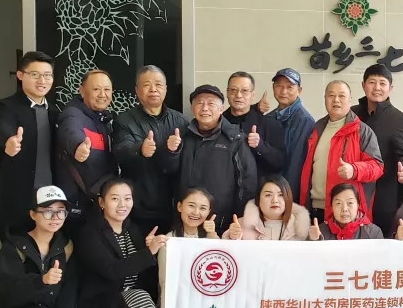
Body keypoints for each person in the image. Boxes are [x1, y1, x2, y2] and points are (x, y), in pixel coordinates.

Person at [73, 179, 167, 308]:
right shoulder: (90, 233)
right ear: (101, 202)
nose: (122, 204)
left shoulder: (133, 230)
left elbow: (142, 271)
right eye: (115, 199)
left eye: (127, 198)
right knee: (138, 297)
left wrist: (149, 250)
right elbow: (113, 270)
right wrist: (147, 252)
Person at [164, 85, 259, 236]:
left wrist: (239, 218)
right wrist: (171, 152)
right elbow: (168, 173)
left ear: (221, 109)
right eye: (200, 103)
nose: (205, 108)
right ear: (192, 108)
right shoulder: (182, 137)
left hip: (222, 224)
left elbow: (247, 182)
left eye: (211, 103)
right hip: (185, 224)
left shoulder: (235, 139)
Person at [0, 51, 59, 238]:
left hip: (51, 195)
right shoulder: (4, 107)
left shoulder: (55, 112)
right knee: (16, 248)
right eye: (35, 74)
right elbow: (1, 127)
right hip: (18, 194)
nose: (42, 80)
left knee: (49, 249)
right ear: (20, 75)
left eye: (47, 75)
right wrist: (8, 141)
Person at [113, 66, 189, 234]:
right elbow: (120, 150)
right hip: (138, 206)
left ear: (166, 89)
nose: (153, 89)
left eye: (158, 84)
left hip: (173, 207)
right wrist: (139, 149)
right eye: (147, 85)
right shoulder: (124, 120)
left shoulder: (181, 121)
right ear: (137, 90)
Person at [300, 81, 384, 225]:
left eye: (341, 96)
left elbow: (377, 167)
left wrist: (354, 170)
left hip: (346, 213)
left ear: (350, 100)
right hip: (315, 209)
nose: (336, 100)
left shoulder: (362, 131)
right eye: (331, 95)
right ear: (325, 99)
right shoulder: (317, 128)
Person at [352, 65, 403, 237]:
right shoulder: (352, 114)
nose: (377, 88)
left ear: (390, 88)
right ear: (363, 85)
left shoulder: (400, 119)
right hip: (352, 191)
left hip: (383, 195)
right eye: (372, 82)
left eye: (382, 83)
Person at [55, 69, 119, 234]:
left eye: (107, 89)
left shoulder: (105, 119)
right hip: (78, 210)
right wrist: (78, 147)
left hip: (98, 205)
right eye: (96, 89)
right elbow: (70, 130)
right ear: (82, 91)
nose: (102, 94)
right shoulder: (73, 113)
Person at [257, 68, 315, 201]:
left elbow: (295, 163)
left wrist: (286, 197)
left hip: (286, 193)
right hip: (270, 191)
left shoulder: (303, 120)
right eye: (279, 86)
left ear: (299, 90)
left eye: (290, 87)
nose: (284, 92)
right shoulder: (270, 117)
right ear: (273, 88)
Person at [224, 72, 287, 180]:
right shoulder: (218, 123)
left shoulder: (270, 124)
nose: (238, 95)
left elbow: (280, 163)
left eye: (245, 91)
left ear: (253, 95)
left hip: (257, 188)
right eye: (233, 90)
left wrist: (260, 146)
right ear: (227, 93)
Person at [224, 175, 310, 241]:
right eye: (268, 195)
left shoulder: (301, 227)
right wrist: (232, 237)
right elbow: (225, 253)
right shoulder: (242, 225)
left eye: (280, 195)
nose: (275, 200)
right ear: (258, 199)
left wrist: (314, 239)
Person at [308, 183, 385, 240]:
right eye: (338, 203)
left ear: (358, 205)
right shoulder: (320, 231)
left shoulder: (373, 233)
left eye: (350, 203)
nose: (344, 209)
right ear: (332, 207)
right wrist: (313, 241)